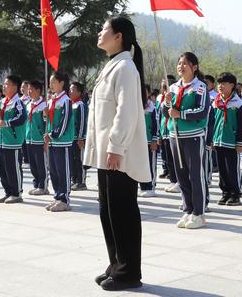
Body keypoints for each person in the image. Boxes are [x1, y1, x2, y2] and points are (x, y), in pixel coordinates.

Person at [83, 16, 150, 291]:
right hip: (106, 153)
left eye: (104, 29)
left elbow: (126, 112)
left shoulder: (125, 68)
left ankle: (129, 271)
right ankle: (116, 264)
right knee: (108, 211)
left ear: (119, 35)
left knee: (122, 212)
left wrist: (116, 146)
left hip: (117, 154)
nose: (100, 33)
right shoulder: (112, 65)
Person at [161, 52, 210, 229]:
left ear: (194, 67)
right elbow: (166, 113)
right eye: (179, 63)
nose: (181, 67)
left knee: (195, 175)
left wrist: (180, 114)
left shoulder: (200, 87)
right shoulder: (173, 87)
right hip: (175, 135)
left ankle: (199, 213)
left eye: (185, 64)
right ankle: (188, 209)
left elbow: (202, 111)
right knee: (181, 175)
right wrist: (167, 103)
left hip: (194, 136)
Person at [207, 72, 242, 206]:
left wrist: (240, 142)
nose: (220, 86)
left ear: (232, 85)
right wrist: (211, 139)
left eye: (223, 83)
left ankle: (235, 194)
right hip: (218, 141)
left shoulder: (238, 103)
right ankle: (225, 193)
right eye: (219, 83)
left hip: (232, 141)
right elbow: (211, 122)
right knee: (222, 170)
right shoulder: (215, 102)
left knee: (232, 169)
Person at [44, 71, 75, 212]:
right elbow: (49, 121)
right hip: (52, 141)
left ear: (62, 83)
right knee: (54, 171)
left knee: (63, 171)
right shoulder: (51, 100)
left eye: (53, 82)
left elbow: (65, 121)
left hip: (62, 141)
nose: (50, 85)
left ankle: (64, 199)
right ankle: (57, 196)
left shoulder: (66, 101)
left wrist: (53, 134)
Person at [0, 75, 27, 204]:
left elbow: (22, 117)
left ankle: (16, 193)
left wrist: (7, 123)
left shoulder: (17, 102)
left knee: (13, 168)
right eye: (4, 84)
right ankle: (8, 192)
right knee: (2, 168)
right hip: (1, 141)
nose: (4, 86)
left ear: (15, 87)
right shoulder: (3, 101)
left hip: (12, 141)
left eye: (7, 84)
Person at [25, 80, 49, 195]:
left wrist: (45, 141)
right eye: (28, 89)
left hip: (39, 139)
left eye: (31, 89)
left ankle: (43, 186)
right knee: (33, 164)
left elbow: (46, 123)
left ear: (38, 91)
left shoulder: (44, 105)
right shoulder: (29, 104)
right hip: (29, 139)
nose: (28, 91)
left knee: (41, 164)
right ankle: (36, 184)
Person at [156, 78, 179, 192]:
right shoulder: (160, 98)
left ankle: (179, 181)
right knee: (168, 158)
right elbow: (160, 116)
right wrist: (159, 134)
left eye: (166, 84)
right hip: (163, 131)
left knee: (175, 159)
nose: (163, 85)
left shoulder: (174, 95)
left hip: (172, 131)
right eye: (163, 84)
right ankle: (173, 180)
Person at [139, 85, 158, 197]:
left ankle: (150, 186)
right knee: (140, 164)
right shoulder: (135, 105)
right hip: (138, 141)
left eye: (145, 92)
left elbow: (156, 125)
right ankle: (142, 186)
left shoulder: (152, 107)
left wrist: (154, 140)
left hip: (149, 140)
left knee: (150, 164)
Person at [70, 81, 88, 191]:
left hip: (78, 138)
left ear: (79, 92)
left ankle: (81, 182)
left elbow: (82, 122)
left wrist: (81, 137)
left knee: (79, 160)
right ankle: (75, 180)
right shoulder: (71, 104)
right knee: (73, 159)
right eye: (70, 89)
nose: (70, 92)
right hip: (71, 137)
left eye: (73, 90)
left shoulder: (80, 105)